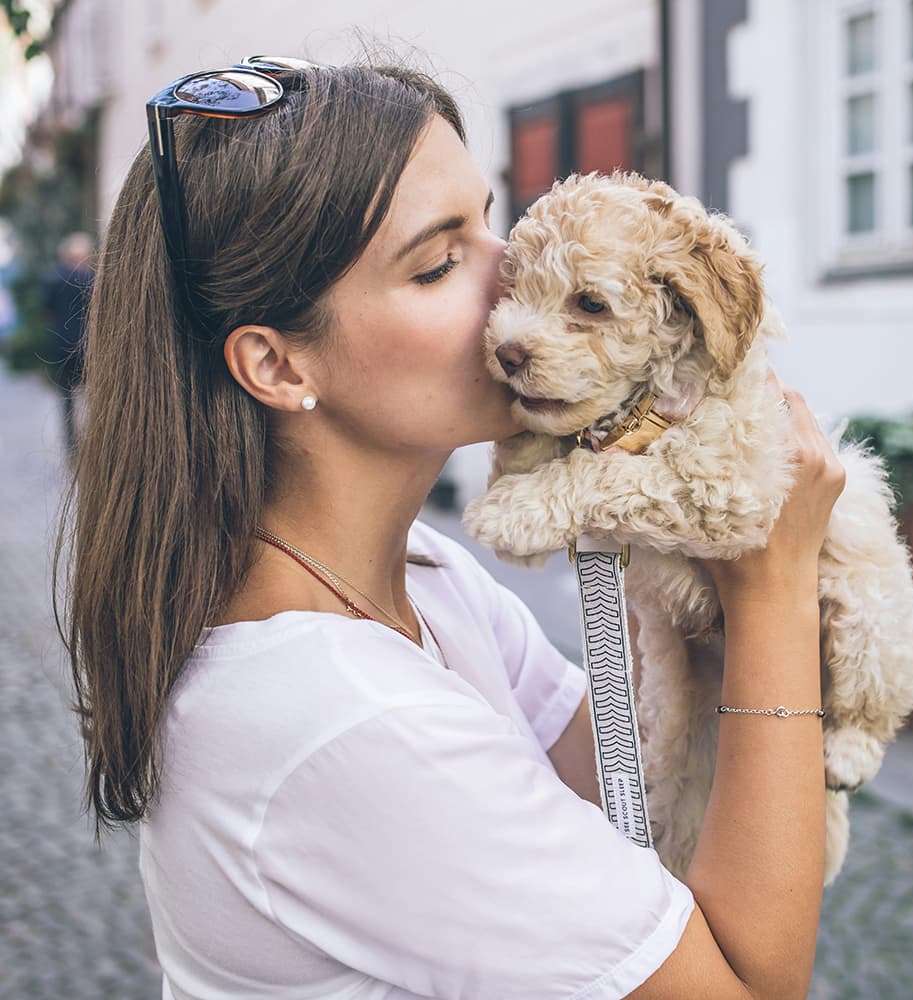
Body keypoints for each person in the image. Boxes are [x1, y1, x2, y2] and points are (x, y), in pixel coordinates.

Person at [58, 56, 844, 1000]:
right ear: (275, 365)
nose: (510, 274)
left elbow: (621, 787)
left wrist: (693, 532)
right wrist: (771, 587)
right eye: (438, 263)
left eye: (488, 220)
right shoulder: (344, 720)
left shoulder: (425, 574)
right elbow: (753, 991)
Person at [42, 231, 95, 452]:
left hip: (62, 345)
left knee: (67, 397)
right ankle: (93, 437)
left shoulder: (52, 280)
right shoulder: (92, 279)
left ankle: (71, 441)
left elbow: (47, 311)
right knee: (93, 394)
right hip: (89, 346)